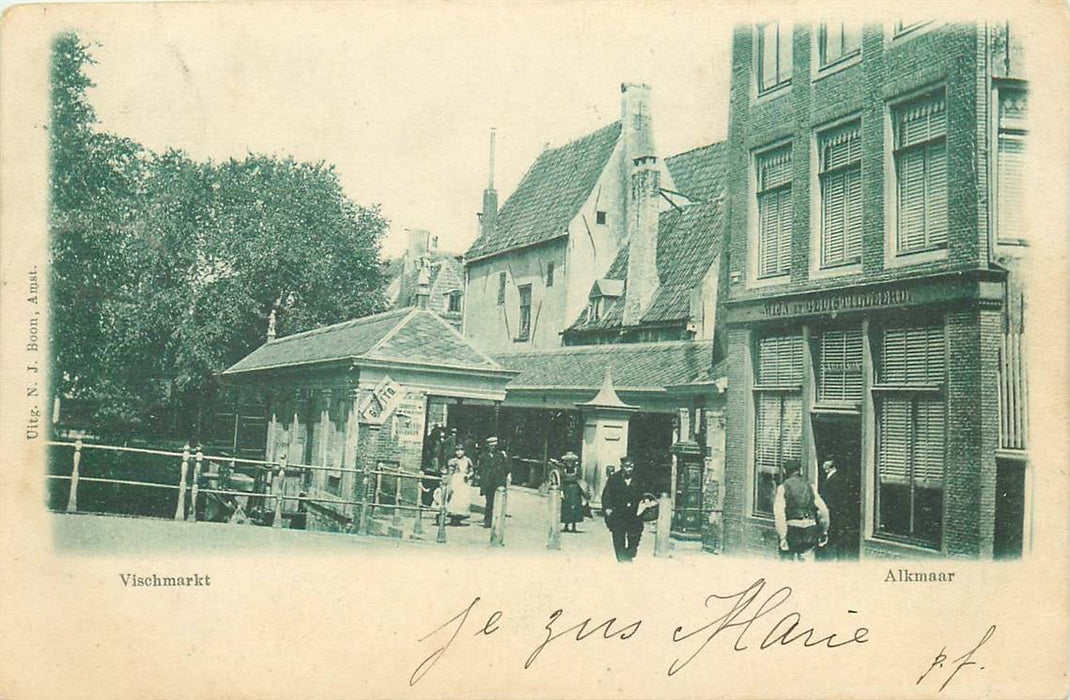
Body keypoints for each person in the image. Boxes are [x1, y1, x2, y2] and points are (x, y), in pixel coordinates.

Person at [773, 460, 830, 562]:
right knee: (807, 564)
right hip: (810, 528)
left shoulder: (783, 488)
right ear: (800, 471)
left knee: (787, 564)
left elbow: (779, 514)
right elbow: (824, 511)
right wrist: (824, 531)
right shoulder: (810, 487)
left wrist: (782, 536)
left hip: (792, 529)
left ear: (785, 471)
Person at [601, 456, 654, 562]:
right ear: (622, 466)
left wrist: (646, 499)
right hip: (618, 513)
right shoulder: (614, 479)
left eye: (631, 466)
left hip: (635, 513)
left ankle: (630, 553)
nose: (629, 469)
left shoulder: (639, 478)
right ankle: (622, 559)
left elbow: (646, 492)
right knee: (618, 536)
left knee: (635, 536)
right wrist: (607, 508)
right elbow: (607, 495)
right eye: (627, 467)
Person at [819, 458, 854, 560]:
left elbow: (835, 497)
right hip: (830, 512)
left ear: (831, 464)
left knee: (833, 536)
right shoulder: (830, 477)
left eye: (826, 462)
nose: (823, 464)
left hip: (833, 512)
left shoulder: (837, 478)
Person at [480, 437, 510, 528]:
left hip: (498, 482)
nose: (492, 447)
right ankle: (487, 521)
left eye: (494, 446)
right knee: (489, 502)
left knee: (498, 501)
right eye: (490, 445)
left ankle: (497, 521)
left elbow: (507, 468)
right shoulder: (484, 456)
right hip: (488, 482)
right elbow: (481, 469)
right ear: (487, 446)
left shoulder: (500, 455)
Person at [559, 452, 588, 533]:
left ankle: (574, 526)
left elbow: (579, 479)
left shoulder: (577, 470)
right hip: (566, 489)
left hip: (575, 490)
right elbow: (561, 480)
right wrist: (561, 491)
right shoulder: (563, 470)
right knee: (566, 507)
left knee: (575, 507)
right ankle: (566, 525)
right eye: (568, 461)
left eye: (571, 461)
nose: (569, 463)